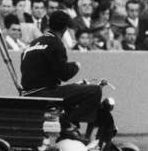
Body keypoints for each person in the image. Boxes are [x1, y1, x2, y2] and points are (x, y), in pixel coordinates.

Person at [21, 11, 101, 139]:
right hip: (46, 94)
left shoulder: (31, 45)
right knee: (94, 90)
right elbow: (64, 74)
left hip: (29, 94)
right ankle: (66, 123)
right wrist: (75, 66)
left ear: (49, 24)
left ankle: (65, 124)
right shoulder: (55, 44)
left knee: (72, 90)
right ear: (65, 29)